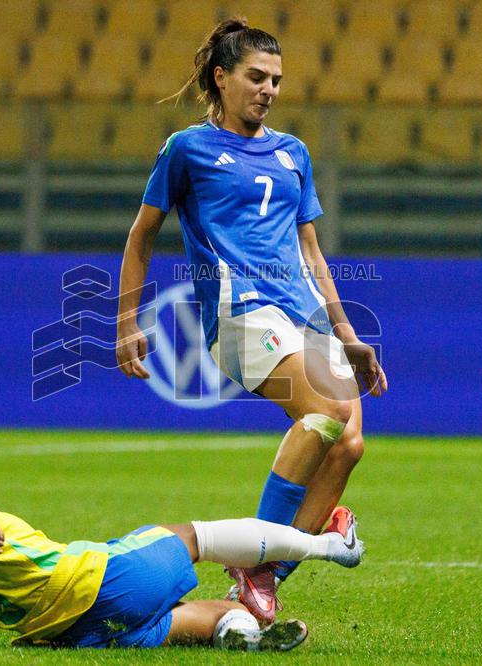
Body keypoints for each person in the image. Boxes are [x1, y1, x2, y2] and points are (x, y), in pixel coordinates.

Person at [115, 17, 387, 624]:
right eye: (257, 77)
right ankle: (255, 562)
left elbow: (310, 250)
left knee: (348, 442)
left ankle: (262, 580)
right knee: (324, 412)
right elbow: (141, 235)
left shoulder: (294, 153)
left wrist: (346, 333)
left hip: (302, 311)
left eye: (277, 80)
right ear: (221, 77)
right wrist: (126, 320)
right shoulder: (188, 149)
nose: (269, 90)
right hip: (238, 313)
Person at [0, 382, 365, 651]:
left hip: (69, 632)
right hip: (101, 581)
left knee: (189, 617)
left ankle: (241, 630)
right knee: (190, 536)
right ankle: (328, 547)